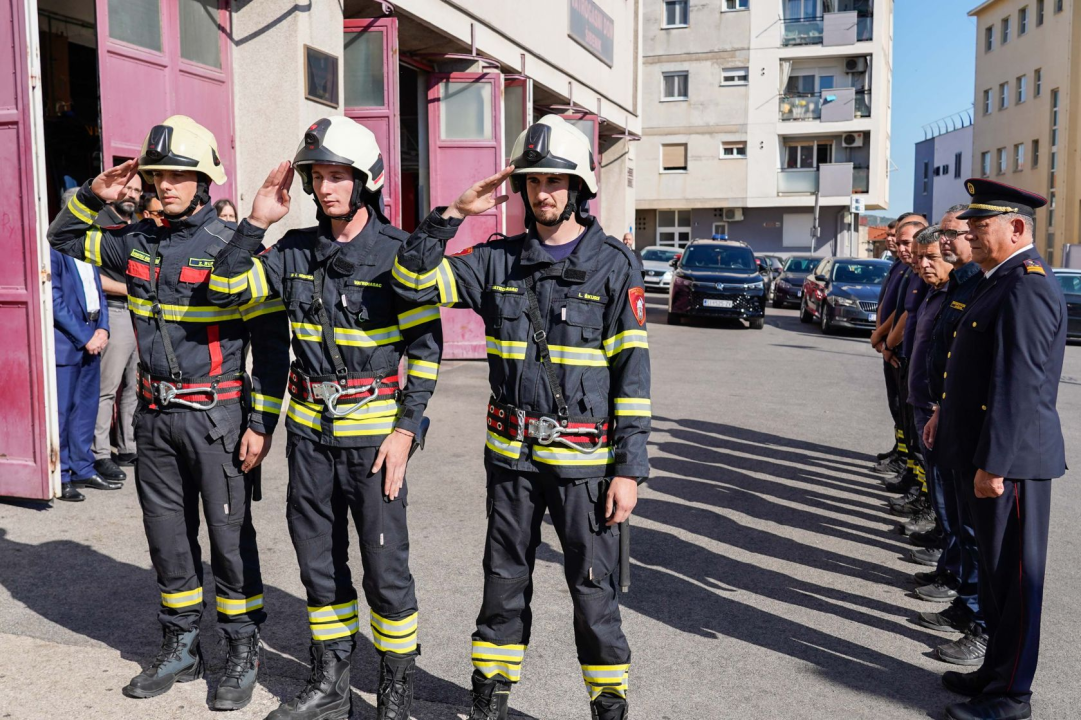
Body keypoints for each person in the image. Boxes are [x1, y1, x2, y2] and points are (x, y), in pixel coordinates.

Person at [392, 115, 650, 720]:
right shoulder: (495, 262)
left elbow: (633, 380)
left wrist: (629, 469)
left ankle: (608, 703)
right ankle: (490, 695)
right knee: (503, 581)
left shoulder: (616, 265)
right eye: (532, 181)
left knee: (593, 589)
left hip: (586, 466)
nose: (542, 192)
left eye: (555, 182)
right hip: (511, 461)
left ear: (580, 186)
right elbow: (410, 283)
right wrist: (454, 213)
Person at [47, 116, 289, 711]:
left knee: (230, 542)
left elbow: (273, 345)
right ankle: (181, 647)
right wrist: (89, 198)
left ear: (204, 180)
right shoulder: (135, 240)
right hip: (154, 420)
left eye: (180, 176)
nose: (167, 186)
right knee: (168, 540)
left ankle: (240, 650)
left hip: (219, 418)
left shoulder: (231, 249)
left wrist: (261, 424)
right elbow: (63, 240)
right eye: (158, 176)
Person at [207, 117, 442, 720]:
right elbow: (224, 289)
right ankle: (331, 684)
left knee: (385, 568)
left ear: (366, 180)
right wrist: (258, 220)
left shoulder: (398, 254)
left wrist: (407, 430)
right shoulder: (291, 252)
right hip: (310, 437)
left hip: (374, 442)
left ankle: (393, 691)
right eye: (318, 176)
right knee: (317, 561)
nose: (328, 186)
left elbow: (425, 350)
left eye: (340, 175)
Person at [933, 179, 1065, 720]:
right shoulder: (998, 280)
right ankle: (994, 674)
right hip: (984, 455)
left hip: (1009, 462)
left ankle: (1012, 696)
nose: (970, 233)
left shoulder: (1027, 286)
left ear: (1016, 227)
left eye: (980, 225)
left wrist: (995, 464)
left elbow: (1019, 385)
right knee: (992, 573)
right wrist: (945, 409)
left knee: (1016, 580)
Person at [916, 205, 987, 669]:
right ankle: (966, 600)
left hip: (978, 433)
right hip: (951, 418)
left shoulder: (991, 285)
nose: (943, 242)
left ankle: (981, 624)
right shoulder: (961, 283)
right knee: (962, 523)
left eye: (952, 232)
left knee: (981, 534)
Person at [51, 238, 116, 502]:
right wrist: (84, 336)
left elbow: (99, 293)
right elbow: (54, 300)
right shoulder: (54, 251)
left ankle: (83, 468)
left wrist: (103, 328)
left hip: (93, 335)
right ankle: (63, 475)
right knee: (63, 411)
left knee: (86, 408)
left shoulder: (90, 250)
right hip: (68, 341)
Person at [90, 173, 143, 482]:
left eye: (137, 190)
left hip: (139, 314)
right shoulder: (99, 223)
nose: (132, 194)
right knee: (107, 389)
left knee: (134, 388)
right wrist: (130, 290)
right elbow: (91, 276)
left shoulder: (134, 226)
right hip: (115, 311)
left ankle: (127, 447)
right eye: (129, 188)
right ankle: (99, 453)